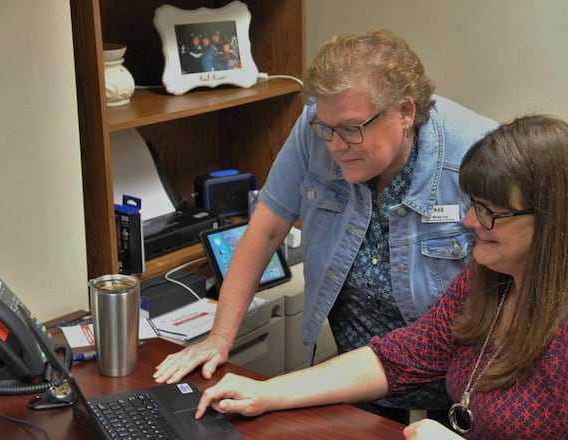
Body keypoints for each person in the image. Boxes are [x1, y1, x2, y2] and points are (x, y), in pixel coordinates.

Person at [192, 115, 568, 439]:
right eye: (473, 204)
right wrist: (270, 392)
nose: (471, 222)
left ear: (553, 221)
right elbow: (401, 356)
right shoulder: (495, 277)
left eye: (491, 213)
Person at [154, 29, 498, 424]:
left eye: (352, 130)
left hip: (458, 383)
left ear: (404, 112)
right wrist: (219, 338)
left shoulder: (477, 153)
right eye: (326, 128)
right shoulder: (321, 124)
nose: (334, 144)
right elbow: (265, 230)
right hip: (357, 371)